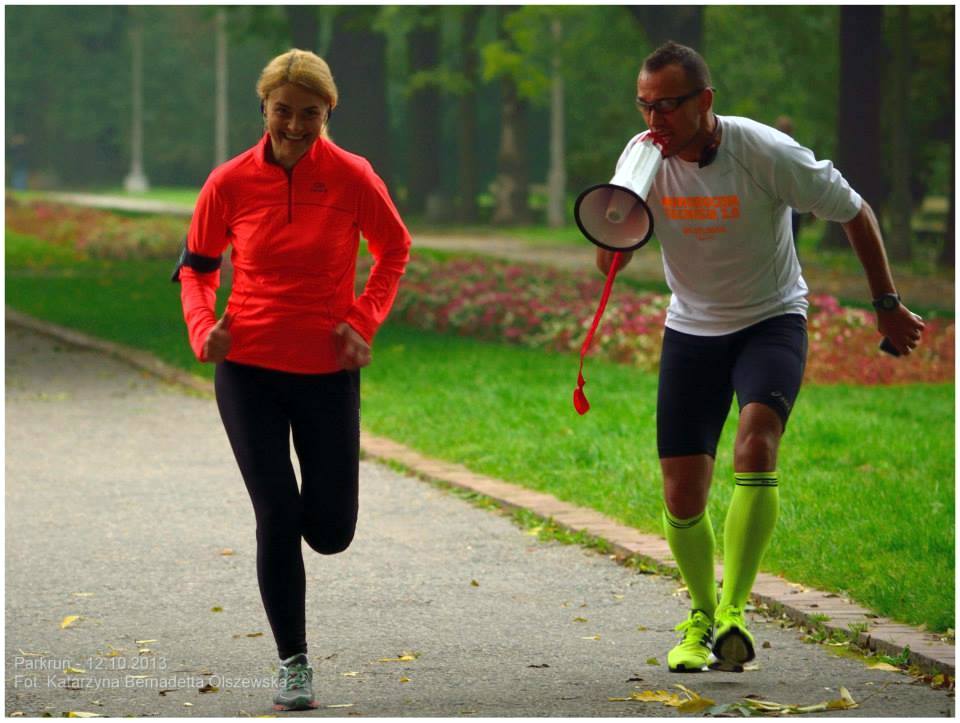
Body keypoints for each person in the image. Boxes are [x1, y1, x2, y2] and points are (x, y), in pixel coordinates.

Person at [596, 42, 923, 673]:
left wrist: (885, 301)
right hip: (691, 328)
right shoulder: (640, 157)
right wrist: (616, 220)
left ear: (705, 101)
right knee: (681, 492)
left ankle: (734, 615)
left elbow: (855, 211)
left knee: (756, 444)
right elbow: (608, 259)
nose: (654, 118)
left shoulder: (762, 150)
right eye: (645, 105)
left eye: (668, 105)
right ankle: (700, 613)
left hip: (770, 320)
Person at [176, 48, 411, 709]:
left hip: (326, 368)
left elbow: (394, 249)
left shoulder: (352, 176)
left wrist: (363, 320)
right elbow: (196, 266)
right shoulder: (228, 183)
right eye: (283, 111)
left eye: (310, 113)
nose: (295, 125)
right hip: (246, 366)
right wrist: (203, 331)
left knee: (331, 530)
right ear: (265, 110)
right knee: (276, 513)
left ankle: (317, 528)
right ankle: (294, 664)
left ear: (328, 112)